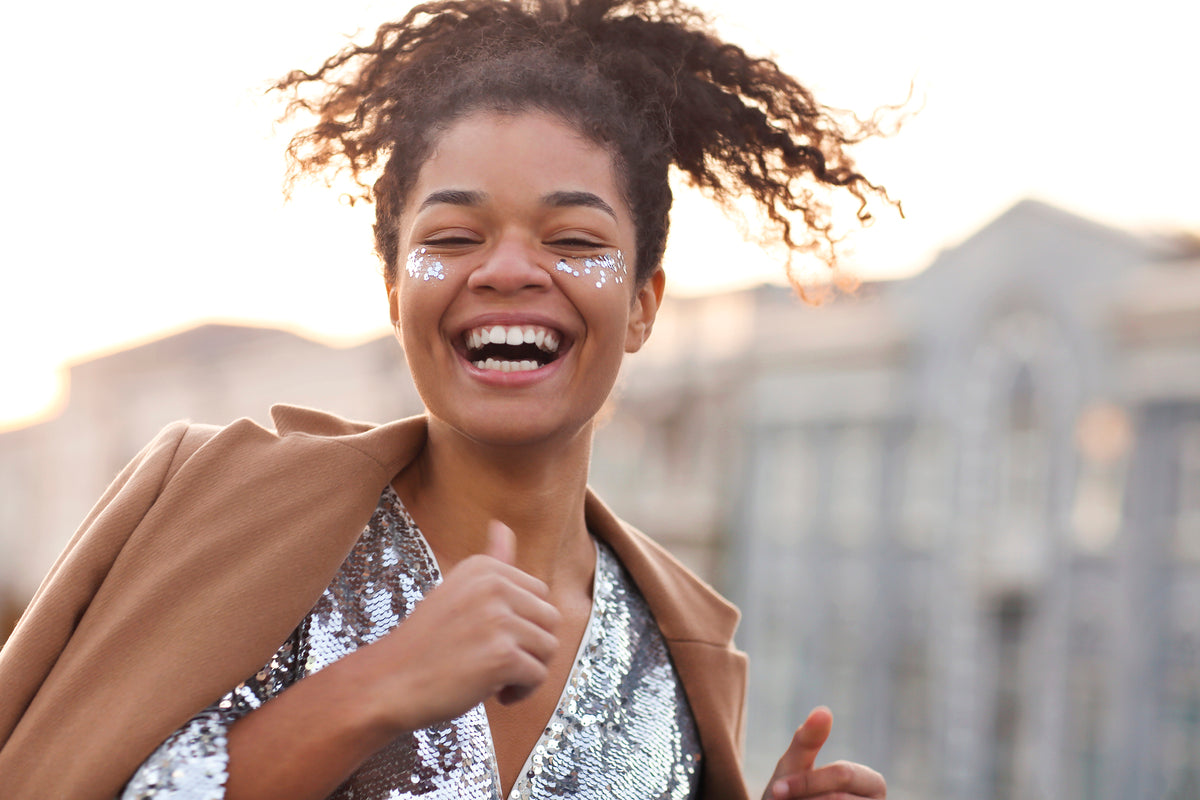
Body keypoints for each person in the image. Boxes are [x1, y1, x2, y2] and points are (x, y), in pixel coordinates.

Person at [0, 1, 894, 798]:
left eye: (574, 238)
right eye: (455, 236)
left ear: (642, 306)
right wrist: (378, 686)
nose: (507, 269)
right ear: (395, 291)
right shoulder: (215, 515)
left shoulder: (674, 659)